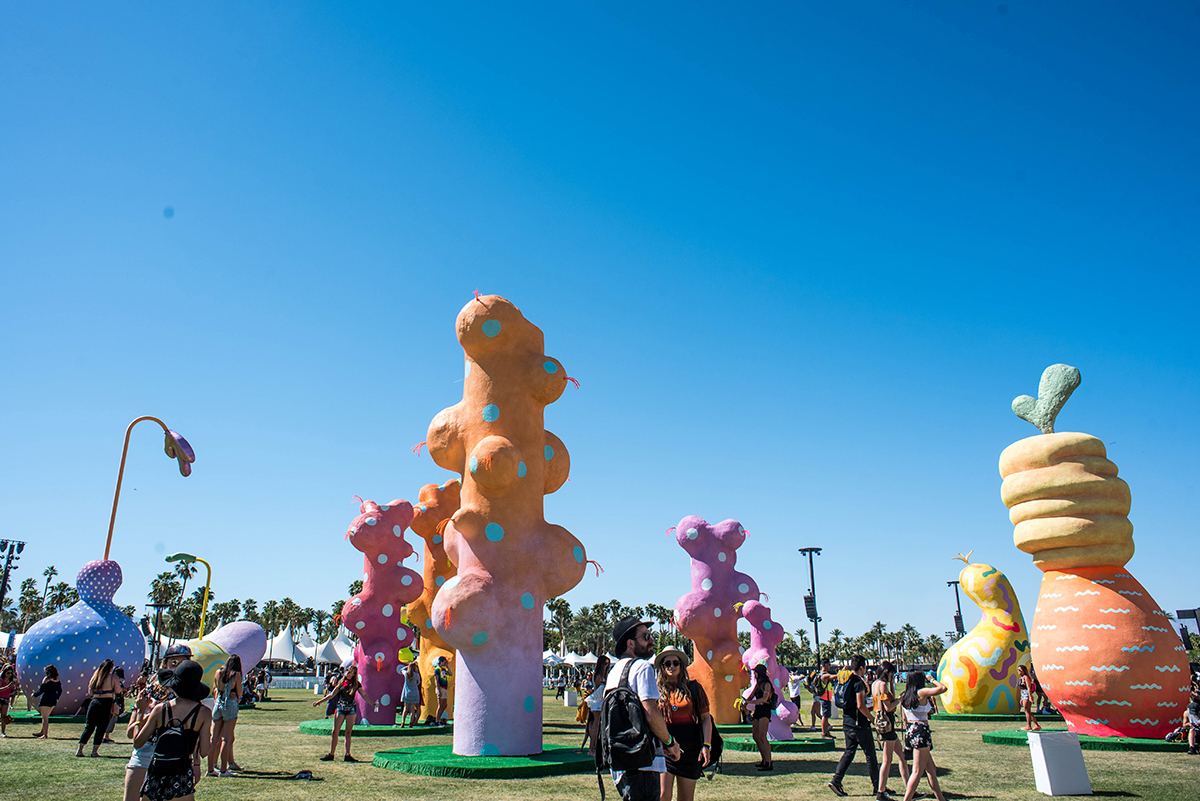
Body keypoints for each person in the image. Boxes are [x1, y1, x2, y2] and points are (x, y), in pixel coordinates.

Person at [605, 615, 682, 801]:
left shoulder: (614, 672)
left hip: (621, 760)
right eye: (646, 637)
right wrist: (670, 743)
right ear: (630, 643)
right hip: (644, 765)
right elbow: (651, 714)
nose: (651, 640)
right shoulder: (641, 667)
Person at [132, 659, 213, 801]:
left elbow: (138, 742)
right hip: (181, 774)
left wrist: (140, 712)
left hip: (157, 773)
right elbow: (205, 751)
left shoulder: (160, 710)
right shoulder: (203, 713)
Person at [655, 646, 713, 801]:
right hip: (665, 750)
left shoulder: (693, 687)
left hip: (690, 750)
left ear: (681, 666)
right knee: (662, 796)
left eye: (676, 662)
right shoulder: (654, 690)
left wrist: (706, 745)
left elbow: (706, 718)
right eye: (668, 663)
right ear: (662, 667)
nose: (672, 666)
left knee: (686, 799)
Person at [827, 655, 880, 798]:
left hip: (847, 722)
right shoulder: (858, 682)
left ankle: (836, 780)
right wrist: (872, 719)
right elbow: (861, 705)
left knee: (849, 752)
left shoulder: (845, 679)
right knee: (870, 755)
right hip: (860, 724)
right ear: (862, 668)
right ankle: (878, 787)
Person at [900, 670, 948, 801]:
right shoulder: (921, 692)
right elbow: (943, 688)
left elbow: (904, 718)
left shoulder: (904, 695)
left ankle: (941, 799)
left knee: (931, 769)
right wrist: (931, 679)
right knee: (917, 771)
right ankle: (907, 799)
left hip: (910, 731)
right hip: (921, 731)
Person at [313, 662, 373, 762]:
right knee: (334, 731)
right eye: (348, 671)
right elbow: (332, 695)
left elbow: (363, 695)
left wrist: (372, 703)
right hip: (341, 707)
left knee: (348, 732)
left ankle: (347, 754)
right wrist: (319, 701)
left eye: (351, 672)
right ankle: (331, 754)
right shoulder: (341, 682)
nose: (348, 673)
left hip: (350, 709)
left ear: (354, 674)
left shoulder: (356, 684)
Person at [872, 660, 909, 801]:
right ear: (887, 672)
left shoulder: (875, 684)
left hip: (882, 723)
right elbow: (888, 707)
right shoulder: (882, 685)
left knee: (902, 757)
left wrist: (892, 687)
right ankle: (881, 792)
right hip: (887, 724)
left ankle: (909, 788)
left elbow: (882, 702)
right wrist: (899, 699)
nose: (892, 677)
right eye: (892, 674)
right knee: (887, 760)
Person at [207, 654, 243, 777]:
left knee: (214, 738)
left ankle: (210, 769)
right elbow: (239, 692)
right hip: (230, 704)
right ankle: (223, 770)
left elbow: (215, 688)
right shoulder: (236, 675)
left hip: (218, 703)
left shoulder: (218, 672)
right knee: (226, 739)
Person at [77, 658, 119, 757]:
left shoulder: (95, 677)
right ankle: (94, 751)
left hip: (94, 702)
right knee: (101, 728)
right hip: (106, 703)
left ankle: (80, 750)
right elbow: (118, 690)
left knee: (89, 727)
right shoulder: (113, 678)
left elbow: (90, 693)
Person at [746, 663, 776, 771]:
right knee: (756, 736)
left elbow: (764, 698)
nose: (754, 674)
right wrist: (744, 702)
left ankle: (768, 762)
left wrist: (750, 702)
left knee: (763, 736)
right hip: (758, 710)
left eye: (756, 672)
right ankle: (763, 759)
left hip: (764, 710)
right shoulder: (758, 684)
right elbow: (751, 695)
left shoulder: (767, 684)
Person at [581, 655, 611, 755]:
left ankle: (595, 747)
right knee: (596, 724)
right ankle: (591, 749)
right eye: (605, 663)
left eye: (608, 664)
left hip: (601, 702)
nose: (607, 666)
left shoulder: (603, 674)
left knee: (600, 725)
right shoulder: (597, 675)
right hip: (597, 702)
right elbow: (599, 690)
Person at [32, 664, 62, 739]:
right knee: (46, 716)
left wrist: (34, 694)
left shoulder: (46, 679)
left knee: (45, 718)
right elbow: (60, 690)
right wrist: (57, 698)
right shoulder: (57, 680)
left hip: (46, 699)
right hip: (53, 699)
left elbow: (42, 690)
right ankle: (42, 732)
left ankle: (45, 735)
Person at [104, 667, 128, 743]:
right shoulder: (114, 682)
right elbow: (118, 690)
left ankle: (106, 736)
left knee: (110, 720)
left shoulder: (109, 681)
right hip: (112, 703)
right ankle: (105, 737)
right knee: (110, 720)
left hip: (112, 702)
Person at [1017, 665, 1041, 732]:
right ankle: (1036, 725)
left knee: (1026, 711)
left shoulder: (1026, 677)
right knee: (1028, 711)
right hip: (1023, 695)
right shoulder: (1021, 678)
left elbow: (1029, 688)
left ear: (1023, 671)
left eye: (1020, 670)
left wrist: (1030, 697)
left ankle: (1029, 726)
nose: (1018, 671)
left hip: (1026, 694)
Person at [817, 659, 837, 738]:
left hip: (824, 697)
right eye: (829, 664)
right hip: (825, 698)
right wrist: (843, 672)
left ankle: (826, 731)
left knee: (826, 715)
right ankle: (823, 732)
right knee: (825, 716)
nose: (829, 666)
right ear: (825, 665)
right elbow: (835, 676)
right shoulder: (825, 675)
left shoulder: (820, 674)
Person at [0, 663, 18, 738]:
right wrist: (8, 686)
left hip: (6, 700)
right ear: (4, 672)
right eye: (8, 673)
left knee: (4, 717)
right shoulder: (1, 680)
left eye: (11, 673)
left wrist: (15, 690)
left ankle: (3, 732)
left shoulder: (11, 681)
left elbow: (10, 692)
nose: (9, 674)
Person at [401, 662, 422, 727]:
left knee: (406, 708)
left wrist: (406, 667)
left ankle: (403, 722)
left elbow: (401, 670)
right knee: (412, 709)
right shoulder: (417, 675)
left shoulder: (406, 674)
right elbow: (419, 682)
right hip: (415, 692)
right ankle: (411, 722)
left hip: (407, 692)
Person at [434, 656, 452, 724]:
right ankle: (437, 720)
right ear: (440, 662)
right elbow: (436, 680)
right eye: (444, 662)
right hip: (440, 688)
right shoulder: (437, 670)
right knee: (440, 705)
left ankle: (439, 718)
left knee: (445, 705)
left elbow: (450, 674)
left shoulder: (443, 669)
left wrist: (447, 667)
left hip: (445, 688)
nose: (445, 663)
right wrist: (438, 690)